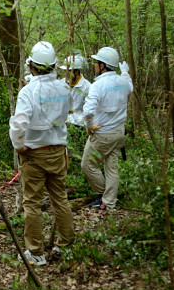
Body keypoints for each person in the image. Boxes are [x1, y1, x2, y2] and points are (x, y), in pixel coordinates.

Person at [9, 41, 74, 266]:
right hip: (57, 151)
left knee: (32, 203)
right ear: (54, 65)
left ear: (32, 67)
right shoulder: (64, 87)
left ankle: (36, 252)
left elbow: (19, 124)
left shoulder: (28, 92)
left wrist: (19, 146)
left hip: (34, 155)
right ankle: (65, 246)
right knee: (60, 199)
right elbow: (69, 111)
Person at [81, 47, 133, 211]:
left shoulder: (98, 85)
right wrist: (124, 71)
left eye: (97, 62)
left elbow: (88, 111)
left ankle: (103, 195)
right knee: (111, 166)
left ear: (103, 65)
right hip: (119, 133)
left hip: (103, 136)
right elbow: (130, 86)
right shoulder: (123, 81)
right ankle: (109, 203)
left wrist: (89, 126)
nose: (95, 65)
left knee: (87, 165)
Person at [59, 55, 91, 158]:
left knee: (76, 155)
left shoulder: (87, 87)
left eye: (68, 70)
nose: (66, 73)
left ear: (76, 71)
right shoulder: (61, 83)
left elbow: (90, 108)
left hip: (79, 125)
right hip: (62, 123)